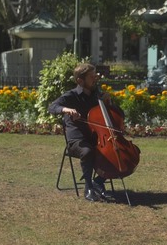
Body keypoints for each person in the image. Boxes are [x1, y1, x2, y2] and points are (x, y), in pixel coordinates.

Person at [49, 63, 117, 202]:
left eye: (95, 76)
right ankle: (88, 187)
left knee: (114, 151)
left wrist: (108, 103)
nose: (95, 79)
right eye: (91, 77)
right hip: (76, 142)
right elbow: (52, 106)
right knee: (87, 151)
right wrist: (66, 110)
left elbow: (111, 115)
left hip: (95, 139)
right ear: (80, 80)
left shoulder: (96, 95)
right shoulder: (71, 95)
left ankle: (98, 182)